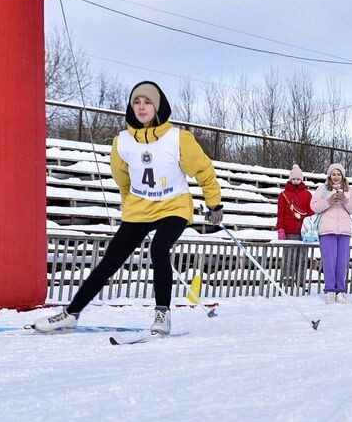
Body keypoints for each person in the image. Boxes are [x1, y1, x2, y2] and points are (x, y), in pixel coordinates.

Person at [33, 81, 223, 334]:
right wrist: (129, 208)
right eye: (137, 102)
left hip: (173, 206)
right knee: (110, 261)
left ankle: (162, 314)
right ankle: (72, 313)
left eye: (147, 102)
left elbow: (203, 171)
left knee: (159, 249)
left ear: (158, 107)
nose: (141, 107)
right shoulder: (122, 141)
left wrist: (214, 204)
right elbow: (123, 180)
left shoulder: (178, 138)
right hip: (139, 209)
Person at [311, 163, 352, 303]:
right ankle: (330, 291)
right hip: (327, 230)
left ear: (342, 176)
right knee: (329, 261)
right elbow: (314, 206)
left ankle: (340, 291)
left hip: (344, 231)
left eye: (339, 174)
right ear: (330, 175)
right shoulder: (322, 189)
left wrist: (345, 201)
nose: (336, 177)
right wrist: (329, 201)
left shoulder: (350, 190)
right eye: (334, 174)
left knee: (342, 262)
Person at [276, 164, 314, 289]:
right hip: (289, 229)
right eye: (294, 179)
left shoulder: (307, 195)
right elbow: (280, 213)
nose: (296, 181)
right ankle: (287, 281)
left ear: (301, 179)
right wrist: (280, 228)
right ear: (290, 179)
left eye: (298, 179)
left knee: (303, 257)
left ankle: (301, 281)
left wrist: (311, 227)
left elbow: (310, 212)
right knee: (289, 257)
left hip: (304, 231)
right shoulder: (283, 195)